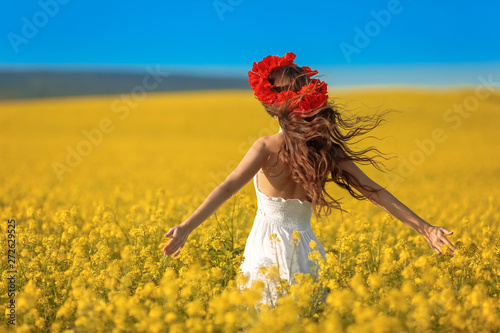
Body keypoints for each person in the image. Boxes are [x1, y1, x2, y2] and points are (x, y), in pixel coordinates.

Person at [162, 52, 456, 306]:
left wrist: (187, 227)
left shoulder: (265, 146)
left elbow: (226, 189)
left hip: (266, 248)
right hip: (306, 249)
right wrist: (425, 228)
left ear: (270, 105)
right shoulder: (325, 150)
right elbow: (374, 192)